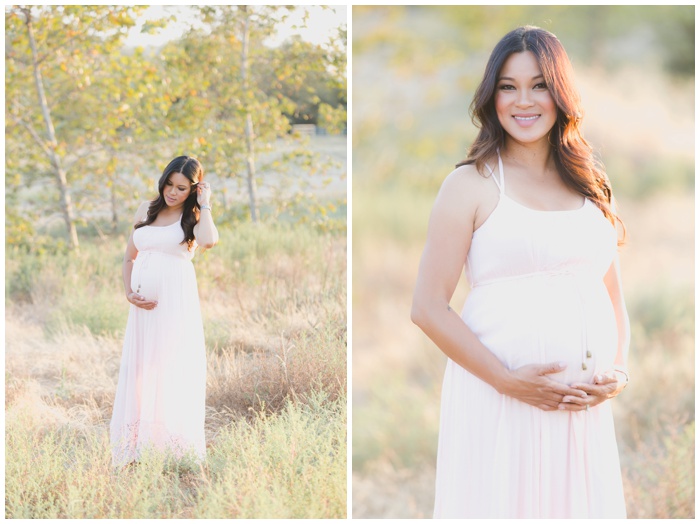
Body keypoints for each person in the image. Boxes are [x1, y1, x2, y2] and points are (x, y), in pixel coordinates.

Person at [411, 26, 630, 518]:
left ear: (561, 92)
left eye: (539, 85)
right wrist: (509, 382)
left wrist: (618, 371)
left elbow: (613, 297)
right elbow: (426, 308)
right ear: (492, 97)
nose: (523, 101)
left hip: (582, 412)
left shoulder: (592, 183)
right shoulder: (468, 184)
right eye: (508, 86)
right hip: (499, 401)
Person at [110, 155, 219, 467]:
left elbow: (209, 242)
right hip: (142, 309)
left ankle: (171, 447)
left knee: (169, 366)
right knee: (140, 370)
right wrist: (129, 292)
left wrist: (205, 203)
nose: (173, 192)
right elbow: (129, 258)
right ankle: (137, 446)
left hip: (175, 304)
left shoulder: (195, 217)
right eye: (169, 184)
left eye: (182, 188)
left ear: (193, 189)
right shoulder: (147, 208)